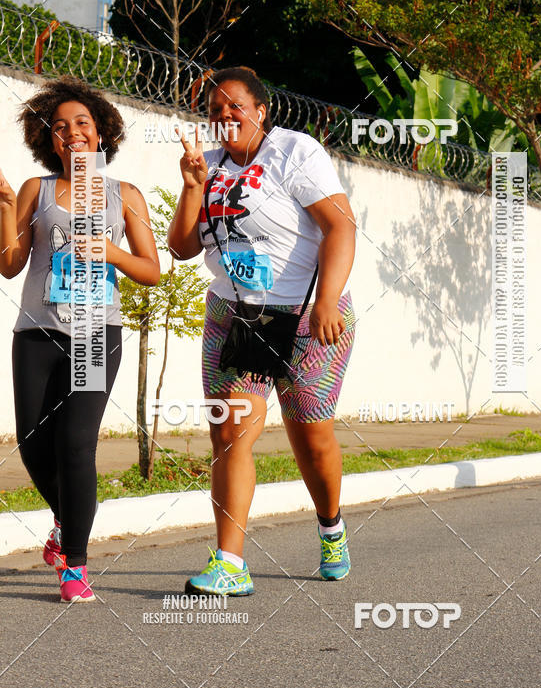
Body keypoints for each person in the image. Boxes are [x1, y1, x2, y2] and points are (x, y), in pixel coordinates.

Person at [167, 66, 356, 596]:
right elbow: (182, 248)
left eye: (235, 107)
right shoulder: (211, 166)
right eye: (214, 110)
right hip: (236, 315)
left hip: (304, 315)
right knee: (228, 433)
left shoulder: (294, 152)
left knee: (311, 437)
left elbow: (340, 225)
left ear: (261, 110)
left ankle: (331, 526)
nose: (224, 117)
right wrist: (192, 186)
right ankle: (230, 563)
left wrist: (325, 302)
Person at [0, 76, 160, 602]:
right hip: (36, 331)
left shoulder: (124, 194)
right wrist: (4, 207)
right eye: (60, 127)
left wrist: (109, 253)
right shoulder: (35, 190)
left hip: (96, 329)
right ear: (49, 139)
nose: (72, 133)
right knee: (32, 443)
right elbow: (9, 265)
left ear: (101, 133)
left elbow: (151, 270)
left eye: (82, 124)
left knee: (75, 444)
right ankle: (67, 523)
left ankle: (75, 566)